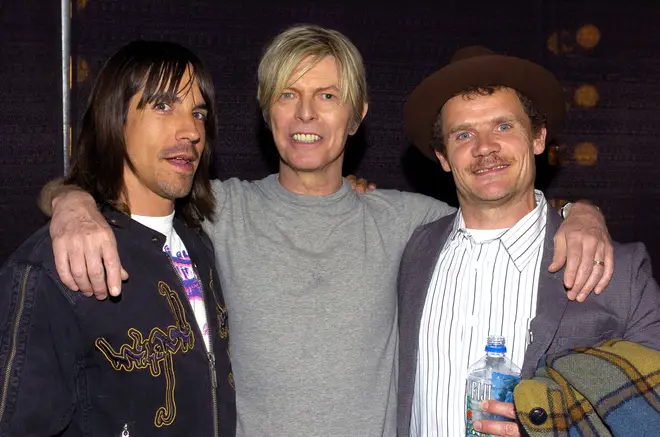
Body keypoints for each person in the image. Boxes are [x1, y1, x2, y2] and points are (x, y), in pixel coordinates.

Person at [41, 27, 612, 437]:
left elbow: (502, 206)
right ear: (268, 114)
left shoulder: (409, 221)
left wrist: (582, 213)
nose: (306, 114)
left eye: (327, 96)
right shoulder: (218, 208)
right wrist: (70, 203)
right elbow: (112, 188)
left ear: (357, 115)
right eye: (288, 95)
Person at [396, 45, 660, 437]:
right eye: (464, 133)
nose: (485, 147)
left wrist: (554, 425)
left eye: (503, 126)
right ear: (444, 156)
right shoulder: (409, 251)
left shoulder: (620, 274)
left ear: (538, 138)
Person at [0, 41, 235, 436]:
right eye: (163, 105)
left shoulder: (201, 245)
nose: (191, 130)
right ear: (115, 119)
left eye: (198, 112)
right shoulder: (55, 265)